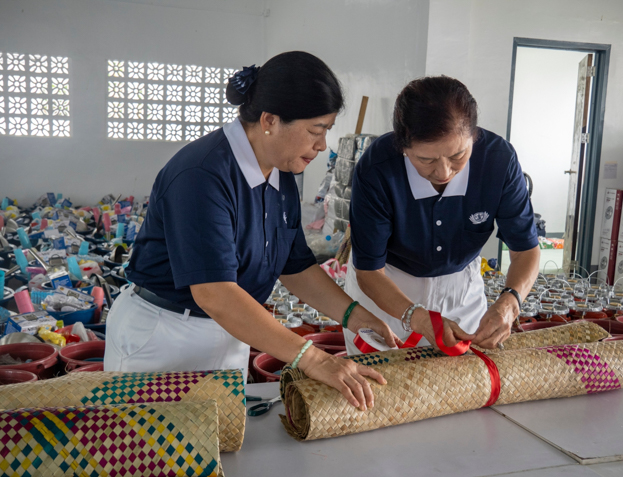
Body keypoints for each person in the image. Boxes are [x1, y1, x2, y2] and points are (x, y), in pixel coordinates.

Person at [104, 51, 402, 411]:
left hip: (232, 330)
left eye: (326, 131)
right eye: (315, 130)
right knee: (150, 454)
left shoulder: (280, 174)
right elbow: (215, 294)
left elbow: (296, 267)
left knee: (220, 449)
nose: (322, 145)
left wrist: (355, 316)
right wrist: (314, 359)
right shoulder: (203, 175)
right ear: (270, 120)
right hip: (165, 338)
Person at [344, 76, 540, 355]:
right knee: (382, 386)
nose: (444, 172)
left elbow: (525, 250)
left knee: (462, 386)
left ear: (474, 136)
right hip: (387, 288)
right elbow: (369, 271)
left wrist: (510, 301)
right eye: (426, 160)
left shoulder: (498, 162)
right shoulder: (378, 168)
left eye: (458, 155)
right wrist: (417, 317)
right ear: (403, 147)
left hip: (460, 288)